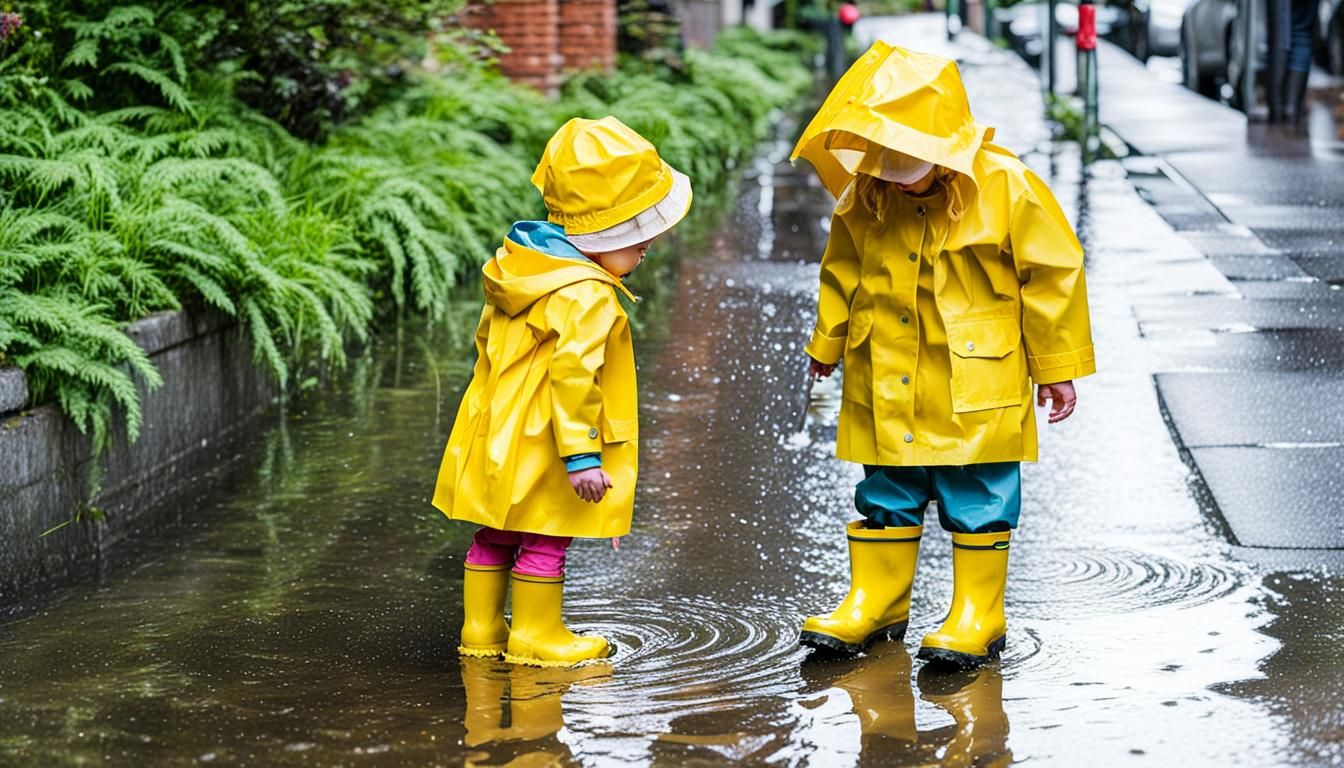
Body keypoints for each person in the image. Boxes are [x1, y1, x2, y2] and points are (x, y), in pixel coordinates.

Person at [791, 44, 1095, 670]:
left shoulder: (1005, 185)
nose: (900, 175)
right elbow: (841, 270)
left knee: (976, 486)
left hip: (973, 376)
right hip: (886, 368)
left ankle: (979, 613)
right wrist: (828, 342)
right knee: (886, 484)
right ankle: (877, 601)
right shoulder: (867, 193)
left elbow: (1052, 275)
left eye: (913, 161)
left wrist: (1057, 367)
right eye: (889, 159)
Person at [431, 116, 691, 667]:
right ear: (604, 237)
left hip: (500, 429)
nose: (646, 248)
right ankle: (537, 634)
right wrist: (583, 456)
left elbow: (485, 346)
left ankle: (481, 630)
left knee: (497, 530)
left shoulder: (521, 269)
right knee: (547, 535)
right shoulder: (587, 296)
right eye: (637, 238)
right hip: (550, 439)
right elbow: (574, 378)